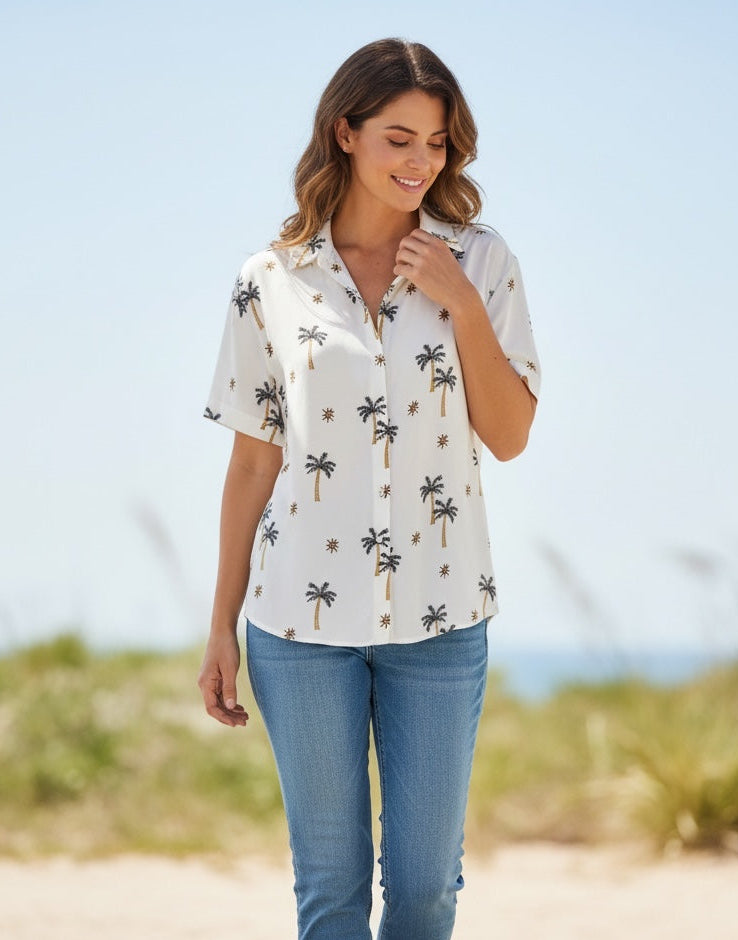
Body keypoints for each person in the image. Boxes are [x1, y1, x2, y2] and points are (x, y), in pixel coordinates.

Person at [198, 37, 540, 940]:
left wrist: (460, 302)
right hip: (300, 629)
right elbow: (252, 465)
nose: (420, 163)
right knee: (331, 890)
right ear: (344, 133)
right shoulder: (269, 281)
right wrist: (220, 627)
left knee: (427, 887)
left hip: (442, 619)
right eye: (399, 139)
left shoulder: (483, 260)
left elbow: (508, 436)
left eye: (436, 143)